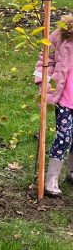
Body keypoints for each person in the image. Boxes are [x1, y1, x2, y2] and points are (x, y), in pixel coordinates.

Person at [34, 13, 73, 196]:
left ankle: (71, 172)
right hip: (65, 97)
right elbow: (46, 59)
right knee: (64, 135)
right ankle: (51, 178)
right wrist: (45, 82)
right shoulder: (61, 34)